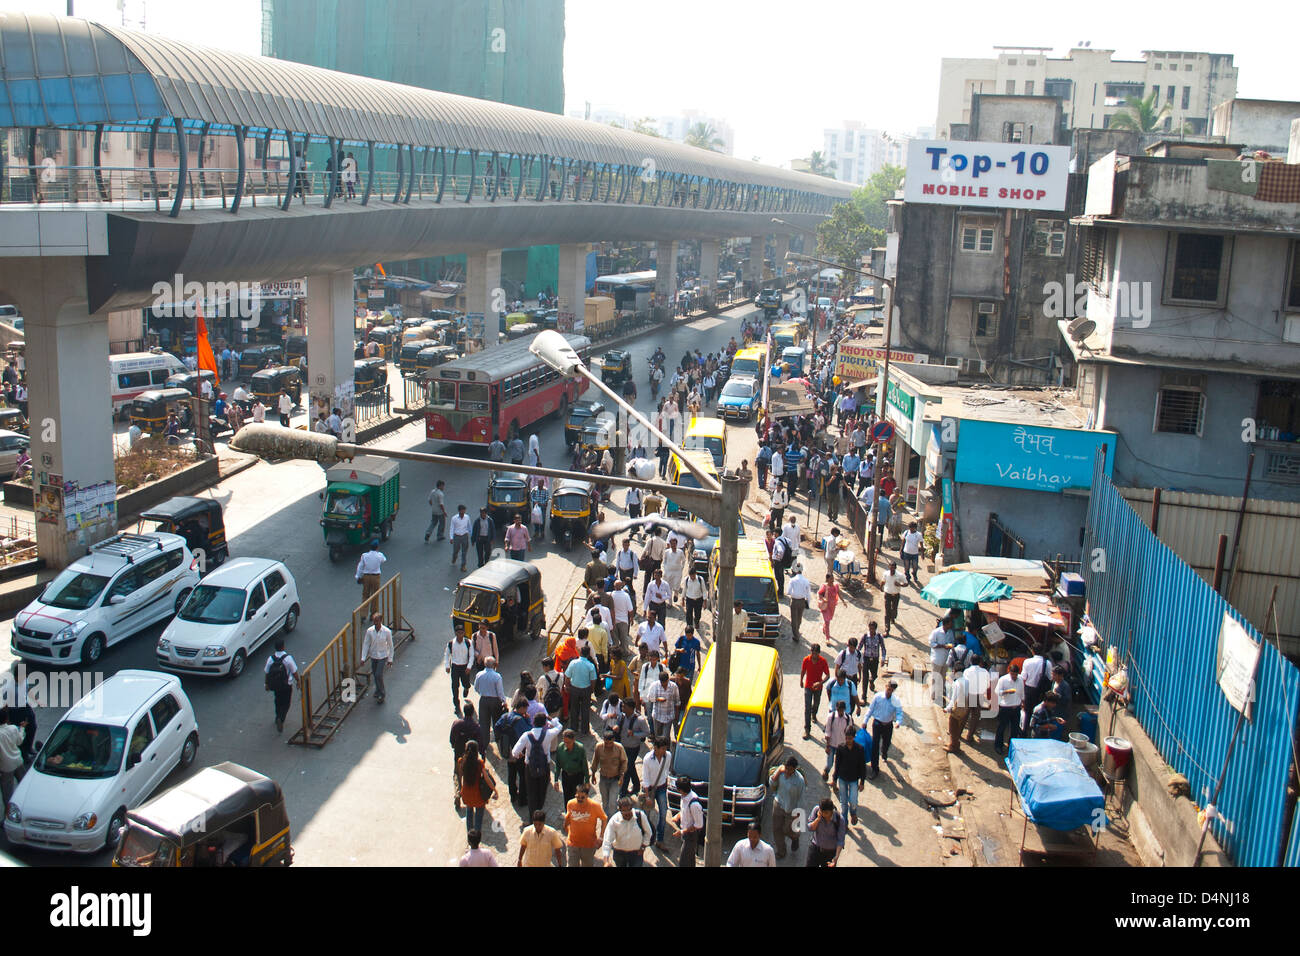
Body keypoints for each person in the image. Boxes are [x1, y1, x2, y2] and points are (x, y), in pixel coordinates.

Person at [511, 713, 563, 820]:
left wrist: (520, 754)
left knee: (531, 793)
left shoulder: (527, 735)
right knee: (542, 792)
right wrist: (551, 720)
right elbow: (559, 726)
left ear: (533, 722)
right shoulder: (548, 734)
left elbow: (515, 752)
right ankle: (539, 812)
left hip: (530, 768)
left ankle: (532, 817)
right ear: (545, 723)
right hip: (545, 766)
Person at [768, 756, 806, 860]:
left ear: (794, 769)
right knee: (777, 829)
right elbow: (772, 785)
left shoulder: (799, 781)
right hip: (778, 804)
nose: (788, 771)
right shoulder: (780, 773)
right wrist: (777, 773)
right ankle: (781, 851)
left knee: (787, 830)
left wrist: (798, 814)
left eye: (790, 769)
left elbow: (801, 798)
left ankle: (795, 837)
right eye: (786, 768)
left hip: (792, 810)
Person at [864, 680, 904, 779]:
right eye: (888, 689)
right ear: (886, 686)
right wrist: (865, 721)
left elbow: (899, 712)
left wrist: (898, 722)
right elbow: (870, 709)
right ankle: (875, 769)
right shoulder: (878, 697)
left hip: (888, 725)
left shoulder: (896, 700)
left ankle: (884, 752)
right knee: (875, 746)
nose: (888, 691)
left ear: (893, 690)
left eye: (891, 690)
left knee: (886, 743)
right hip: (877, 723)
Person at [455, 739, 496, 836]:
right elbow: (487, 779)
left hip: (466, 794)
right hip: (478, 795)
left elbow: (459, 777)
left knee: (469, 813)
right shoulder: (479, 763)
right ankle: (476, 837)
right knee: (478, 817)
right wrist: (495, 790)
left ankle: (470, 836)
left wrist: (460, 790)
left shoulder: (461, 761)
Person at [562, 782, 606, 867]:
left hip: (588, 845)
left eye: (582, 797)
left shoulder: (595, 806)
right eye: (577, 797)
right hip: (573, 844)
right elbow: (568, 818)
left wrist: (601, 837)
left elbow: (604, 819)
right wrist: (567, 829)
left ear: (587, 796)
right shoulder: (570, 804)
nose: (580, 799)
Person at [601, 796, 652, 867]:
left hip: (636, 854)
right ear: (620, 810)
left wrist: (643, 846)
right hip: (619, 854)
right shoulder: (614, 820)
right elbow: (607, 841)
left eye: (629, 810)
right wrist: (606, 861)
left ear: (632, 808)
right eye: (624, 811)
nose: (627, 813)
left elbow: (648, 832)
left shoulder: (640, 816)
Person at [832, 726, 868, 825]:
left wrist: (862, 782)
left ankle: (853, 813)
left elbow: (862, 767)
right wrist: (834, 779)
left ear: (854, 737)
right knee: (843, 803)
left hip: (853, 780)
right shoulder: (841, 748)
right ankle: (844, 824)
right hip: (842, 778)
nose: (848, 740)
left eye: (850, 738)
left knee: (853, 801)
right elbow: (837, 764)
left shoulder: (860, 749)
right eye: (847, 738)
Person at [614, 699, 650, 796]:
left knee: (626, 769)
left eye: (624, 707)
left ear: (630, 708)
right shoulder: (622, 716)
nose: (622, 708)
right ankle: (637, 785)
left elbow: (647, 732)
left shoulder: (640, 720)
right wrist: (616, 727)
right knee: (630, 767)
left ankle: (623, 792)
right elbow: (618, 724)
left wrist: (635, 734)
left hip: (633, 748)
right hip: (622, 747)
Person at [265, 638, 298, 733]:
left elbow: (267, 672)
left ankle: (277, 717)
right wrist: (298, 681)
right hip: (286, 685)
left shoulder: (270, 659)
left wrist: (266, 684)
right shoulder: (288, 658)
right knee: (286, 703)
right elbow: (294, 671)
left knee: (278, 701)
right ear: (283, 647)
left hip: (275, 685)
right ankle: (281, 718)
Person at [591, 728, 627, 815]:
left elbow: (624, 761)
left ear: (613, 740)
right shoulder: (599, 747)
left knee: (612, 802)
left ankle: (613, 821)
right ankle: (606, 820)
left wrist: (622, 775)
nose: (608, 745)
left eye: (610, 743)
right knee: (605, 801)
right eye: (606, 743)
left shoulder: (619, 748)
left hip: (615, 779)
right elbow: (595, 761)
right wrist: (593, 774)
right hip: (603, 779)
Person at [360, 611, 394, 704]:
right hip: (374, 656)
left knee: (378, 674)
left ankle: (382, 694)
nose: (375, 623)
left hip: (383, 656)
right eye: (374, 621)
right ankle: (378, 690)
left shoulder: (387, 632)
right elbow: (366, 644)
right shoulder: (370, 631)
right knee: (375, 674)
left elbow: (391, 646)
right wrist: (363, 658)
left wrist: (390, 659)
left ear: (381, 621)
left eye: (377, 621)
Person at [564, 646, 599, 736]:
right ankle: (584, 729)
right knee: (585, 709)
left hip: (574, 689)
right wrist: (592, 690)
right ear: (588, 654)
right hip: (586, 689)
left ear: (580, 653)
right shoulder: (590, 665)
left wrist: (567, 686)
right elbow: (593, 680)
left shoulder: (573, 663)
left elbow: (567, 676)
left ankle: (574, 727)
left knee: (574, 708)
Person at [672, 774, 705, 867]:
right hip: (686, 834)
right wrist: (677, 816)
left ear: (680, 790)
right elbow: (684, 811)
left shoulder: (694, 804)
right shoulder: (684, 797)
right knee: (689, 861)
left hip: (691, 836)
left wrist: (682, 832)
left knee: (683, 862)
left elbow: (699, 825)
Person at [800, 644, 830, 739]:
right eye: (813, 653)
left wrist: (820, 683)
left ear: (819, 653)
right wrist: (801, 680)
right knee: (807, 708)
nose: (814, 656)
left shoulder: (823, 661)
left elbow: (827, 675)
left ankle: (814, 714)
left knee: (816, 704)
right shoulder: (806, 660)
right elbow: (803, 671)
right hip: (808, 686)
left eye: (816, 654)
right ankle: (807, 729)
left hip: (818, 688)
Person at [994, 663, 1025, 755]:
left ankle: (1011, 746)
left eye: (1016, 674)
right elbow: (997, 692)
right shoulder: (1003, 680)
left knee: (1015, 729)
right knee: (1002, 727)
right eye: (1012, 674)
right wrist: (1006, 692)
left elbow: (1022, 692)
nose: (1014, 676)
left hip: (1016, 707)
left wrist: (1023, 702)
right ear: (1009, 672)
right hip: (1005, 707)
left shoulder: (1020, 679)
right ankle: (998, 746)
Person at [806, 798, 846, 868]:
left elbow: (840, 841)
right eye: (822, 812)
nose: (824, 815)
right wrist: (817, 819)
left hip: (830, 853)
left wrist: (836, 857)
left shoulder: (839, 819)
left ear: (831, 811)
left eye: (826, 813)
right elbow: (810, 828)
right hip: (815, 848)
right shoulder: (816, 810)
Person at [553, 728, 589, 804]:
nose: (566, 744)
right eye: (565, 742)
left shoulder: (580, 748)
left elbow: (584, 766)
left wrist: (587, 781)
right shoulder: (560, 748)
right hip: (566, 776)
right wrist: (556, 780)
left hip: (578, 776)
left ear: (573, 740)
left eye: (568, 742)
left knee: (577, 798)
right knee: (567, 798)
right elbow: (558, 765)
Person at [928, 616, 955, 706]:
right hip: (937, 658)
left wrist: (950, 646)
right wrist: (943, 646)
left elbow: (952, 642)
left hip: (946, 659)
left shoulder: (950, 632)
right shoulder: (936, 632)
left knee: (943, 677)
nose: (952, 625)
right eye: (950, 623)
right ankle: (934, 695)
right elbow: (931, 643)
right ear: (946, 624)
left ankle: (939, 695)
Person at [647, 671, 680, 741]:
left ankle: (666, 750)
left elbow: (677, 701)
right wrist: (657, 699)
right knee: (658, 737)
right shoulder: (654, 686)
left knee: (666, 737)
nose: (664, 685)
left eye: (666, 683)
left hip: (669, 716)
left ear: (668, 680)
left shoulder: (673, 686)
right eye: (662, 684)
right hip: (657, 716)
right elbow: (649, 698)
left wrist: (676, 714)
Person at [786, 563, 812, 643]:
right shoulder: (806, 581)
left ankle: (796, 635)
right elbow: (808, 594)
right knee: (799, 618)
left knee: (794, 619)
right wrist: (808, 602)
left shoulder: (792, 580)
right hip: (802, 601)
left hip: (794, 601)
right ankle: (797, 631)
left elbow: (788, 592)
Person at [881, 560, 907, 637]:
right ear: (889, 567)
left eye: (893, 568)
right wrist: (881, 586)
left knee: (894, 609)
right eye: (890, 568)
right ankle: (887, 629)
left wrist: (900, 584)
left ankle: (893, 617)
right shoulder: (886, 574)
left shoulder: (900, 575)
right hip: (887, 594)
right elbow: (883, 581)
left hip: (896, 595)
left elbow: (906, 583)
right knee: (887, 612)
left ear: (895, 568)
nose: (892, 570)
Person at [817, 574, 841, 642]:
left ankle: (824, 628)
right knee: (827, 621)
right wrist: (824, 599)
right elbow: (819, 594)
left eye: (832, 578)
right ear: (827, 579)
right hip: (826, 607)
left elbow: (838, 593)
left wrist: (843, 601)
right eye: (830, 578)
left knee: (828, 620)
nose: (832, 580)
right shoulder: (824, 586)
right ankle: (827, 638)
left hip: (832, 607)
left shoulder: (836, 585)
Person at [448, 504, 471, 572]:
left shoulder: (467, 517)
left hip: (464, 536)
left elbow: (469, 526)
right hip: (457, 536)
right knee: (456, 550)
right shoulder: (454, 518)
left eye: (464, 510)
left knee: (464, 552)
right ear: (459, 511)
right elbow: (452, 528)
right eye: (462, 511)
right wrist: (451, 537)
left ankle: (463, 565)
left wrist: (471, 535)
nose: (463, 512)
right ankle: (454, 558)